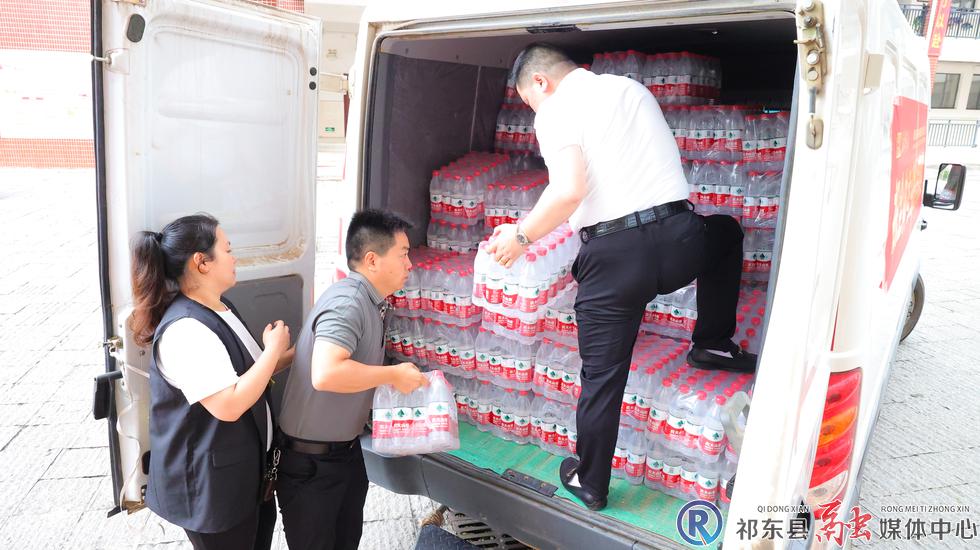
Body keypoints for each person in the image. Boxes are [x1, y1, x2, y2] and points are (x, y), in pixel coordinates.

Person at [487, 44, 758, 511]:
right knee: (728, 233)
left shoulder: (554, 110)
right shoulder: (631, 89)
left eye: (530, 101)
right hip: (679, 239)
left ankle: (591, 481)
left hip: (613, 261)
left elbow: (569, 190)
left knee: (602, 377)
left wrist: (521, 236)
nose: (534, 112)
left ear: (540, 83)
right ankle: (713, 342)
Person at [130, 213, 294, 550]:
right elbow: (229, 404)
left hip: (243, 477)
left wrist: (299, 353)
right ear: (202, 262)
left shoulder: (220, 307)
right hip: (211, 491)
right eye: (228, 250)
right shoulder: (186, 330)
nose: (235, 258)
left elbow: (251, 374)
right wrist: (272, 351)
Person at [276, 209, 430, 550]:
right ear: (373, 260)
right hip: (311, 465)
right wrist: (393, 375)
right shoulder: (349, 301)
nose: (410, 265)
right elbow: (327, 372)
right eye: (403, 255)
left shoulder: (371, 301)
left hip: (343, 454)